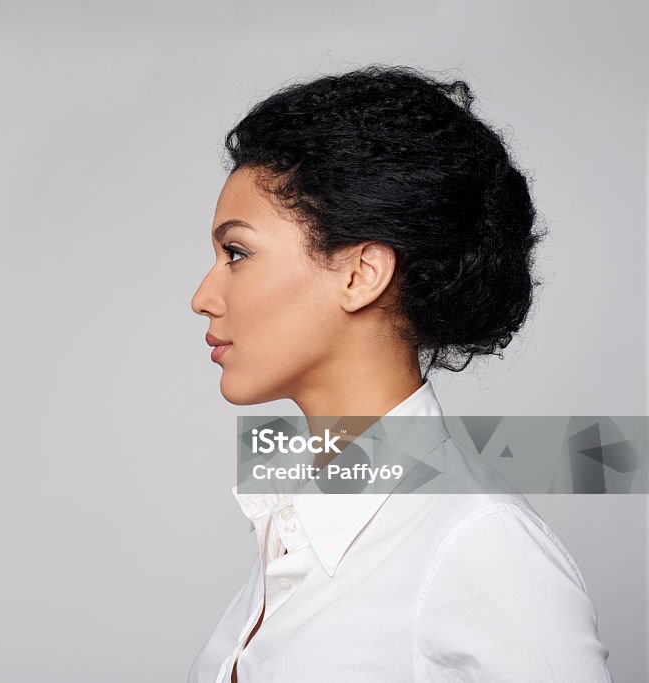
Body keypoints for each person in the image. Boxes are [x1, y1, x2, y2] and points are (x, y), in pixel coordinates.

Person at [188, 65, 612, 682]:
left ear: (362, 274)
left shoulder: (479, 544)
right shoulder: (295, 527)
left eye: (237, 254)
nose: (203, 296)